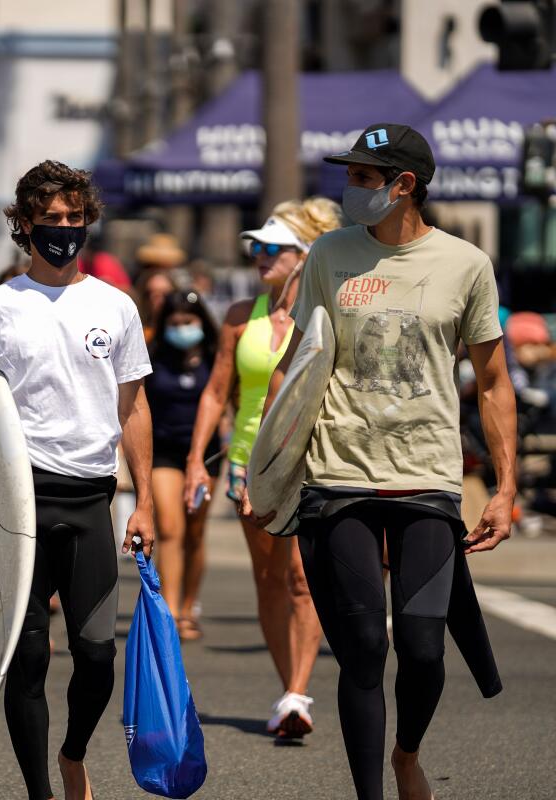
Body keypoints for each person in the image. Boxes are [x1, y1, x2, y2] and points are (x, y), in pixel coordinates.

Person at [244, 124, 517, 800]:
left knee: (423, 649)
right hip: (339, 479)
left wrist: (507, 489)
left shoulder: (465, 265)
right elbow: (298, 366)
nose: (351, 190)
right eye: (352, 177)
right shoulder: (330, 256)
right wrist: (266, 471)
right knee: (365, 648)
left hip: (427, 478)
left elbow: (494, 382)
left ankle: (407, 752)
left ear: (405, 187)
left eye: (366, 179)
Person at [0, 160, 155, 800]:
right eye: (50, 220)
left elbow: (134, 407)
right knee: (26, 658)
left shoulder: (115, 306)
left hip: (91, 497)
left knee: (96, 657)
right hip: (14, 504)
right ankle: (40, 795)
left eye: (74, 218)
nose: (64, 229)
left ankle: (73, 752)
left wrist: (142, 502)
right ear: (24, 225)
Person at [185, 197, 341, 738]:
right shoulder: (238, 316)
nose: (260, 256)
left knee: (302, 577)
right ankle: (287, 691)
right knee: (270, 578)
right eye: (257, 247)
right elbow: (215, 391)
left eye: (272, 248)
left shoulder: (326, 315)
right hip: (246, 463)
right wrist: (194, 461)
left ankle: (299, 692)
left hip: (308, 461)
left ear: (302, 255)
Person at [145, 289, 221, 641]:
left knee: (194, 532)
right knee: (170, 528)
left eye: (188, 322)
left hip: (206, 456)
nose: (182, 329)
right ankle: (171, 611)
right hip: (164, 452)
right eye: (174, 323)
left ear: (201, 322)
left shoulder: (215, 355)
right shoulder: (153, 355)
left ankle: (190, 606)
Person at [135, 266, 176, 342]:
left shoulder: (179, 332)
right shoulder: (140, 336)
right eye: (152, 293)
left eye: (165, 293)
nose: (160, 300)